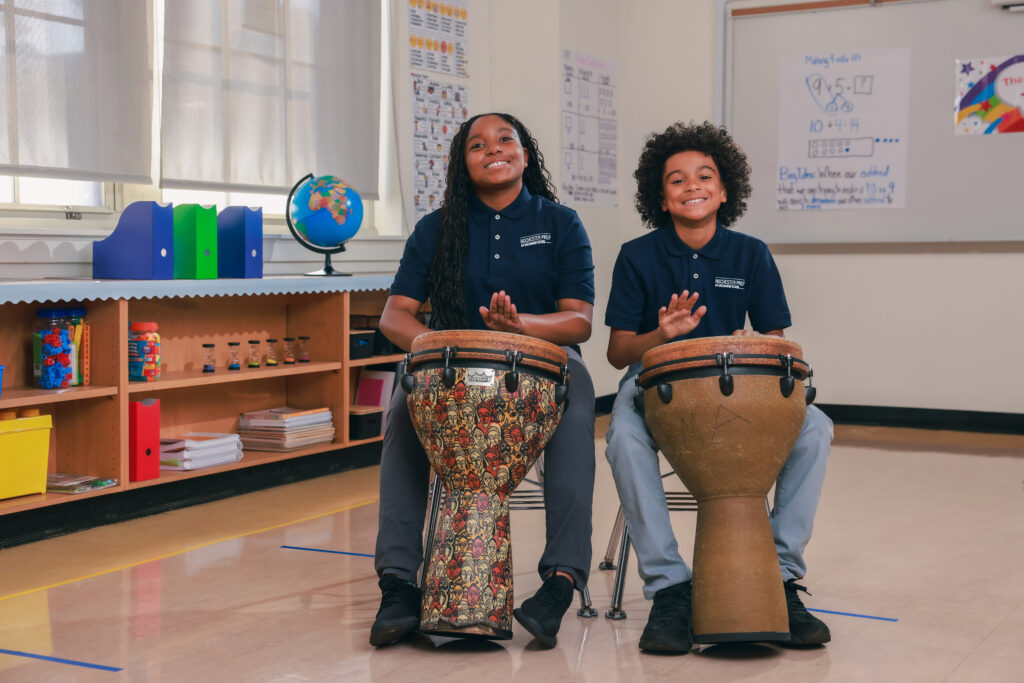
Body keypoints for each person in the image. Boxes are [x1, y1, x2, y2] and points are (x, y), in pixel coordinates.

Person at [603, 121, 833, 654]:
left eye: (704, 176)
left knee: (816, 429)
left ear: (725, 190)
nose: (692, 186)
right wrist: (663, 335)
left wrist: (751, 344)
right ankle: (669, 589)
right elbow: (618, 352)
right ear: (660, 198)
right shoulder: (637, 256)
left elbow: (778, 345)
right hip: (656, 386)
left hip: (739, 389)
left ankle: (779, 579)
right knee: (624, 440)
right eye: (677, 180)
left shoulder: (751, 253)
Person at [370, 112, 596, 649]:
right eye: (477, 144)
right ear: (462, 163)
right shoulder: (435, 229)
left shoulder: (562, 224)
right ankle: (399, 583)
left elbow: (578, 320)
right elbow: (393, 316)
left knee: (577, 406)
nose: (492, 149)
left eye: (505, 139)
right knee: (403, 411)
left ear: (524, 152)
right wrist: (439, 345)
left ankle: (560, 583)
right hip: (452, 366)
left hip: (546, 362)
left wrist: (521, 328)